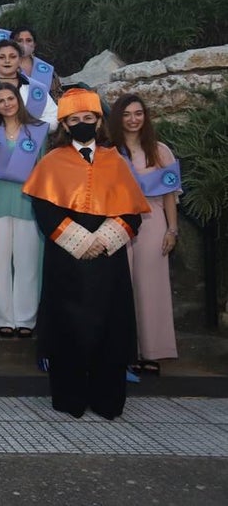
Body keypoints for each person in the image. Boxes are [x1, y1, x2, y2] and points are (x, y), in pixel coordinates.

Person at [23, 88, 148, 419]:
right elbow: (44, 209)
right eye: (75, 119)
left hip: (108, 261)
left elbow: (132, 212)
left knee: (111, 327)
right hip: (66, 261)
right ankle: (70, 398)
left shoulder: (116, 161)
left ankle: (108, 399)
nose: (82, 124)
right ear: (65, 125)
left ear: (99, 121)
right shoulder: (51, 163)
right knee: (67, 328)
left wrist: (103, 240)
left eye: (88, 118)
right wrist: (81, 241)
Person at [109, 94, 181, 374]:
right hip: (118, 223)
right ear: (118, 117)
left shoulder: (160, 151)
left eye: (138, 113)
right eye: (127, 114)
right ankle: (126, 350)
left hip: (153, 222)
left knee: (152, 286)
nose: (133, 119)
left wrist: (172, 229)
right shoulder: (110, 152)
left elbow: (170, 194)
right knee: (121, 287)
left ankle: (152, 350)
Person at [0, 83, 50, 337]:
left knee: (27, 260)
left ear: (18, 100)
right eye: (1, 100)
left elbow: (42, 170)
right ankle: (3, 318)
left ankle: (26, 318)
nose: (7, 104)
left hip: (27, 201)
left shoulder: (37, 131)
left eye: (10, 98)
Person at [0, 40, 58, 126]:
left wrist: (30, 128)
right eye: (1, 57)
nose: (7, 61)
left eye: (12, 57)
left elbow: (54, 117)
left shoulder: (37, 89)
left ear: (20, 61)